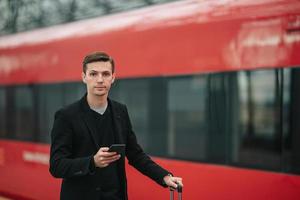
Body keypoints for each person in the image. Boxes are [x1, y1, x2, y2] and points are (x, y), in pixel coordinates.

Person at [49, 51, 183, 200]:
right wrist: (92, 162)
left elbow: (135, 154)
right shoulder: (66, 116)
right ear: (84, 77)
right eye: (93, 74)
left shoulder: (120, 111)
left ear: (113, 78)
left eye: (106, 74)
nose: (100, 80)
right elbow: (56, 166)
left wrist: (164, 177)